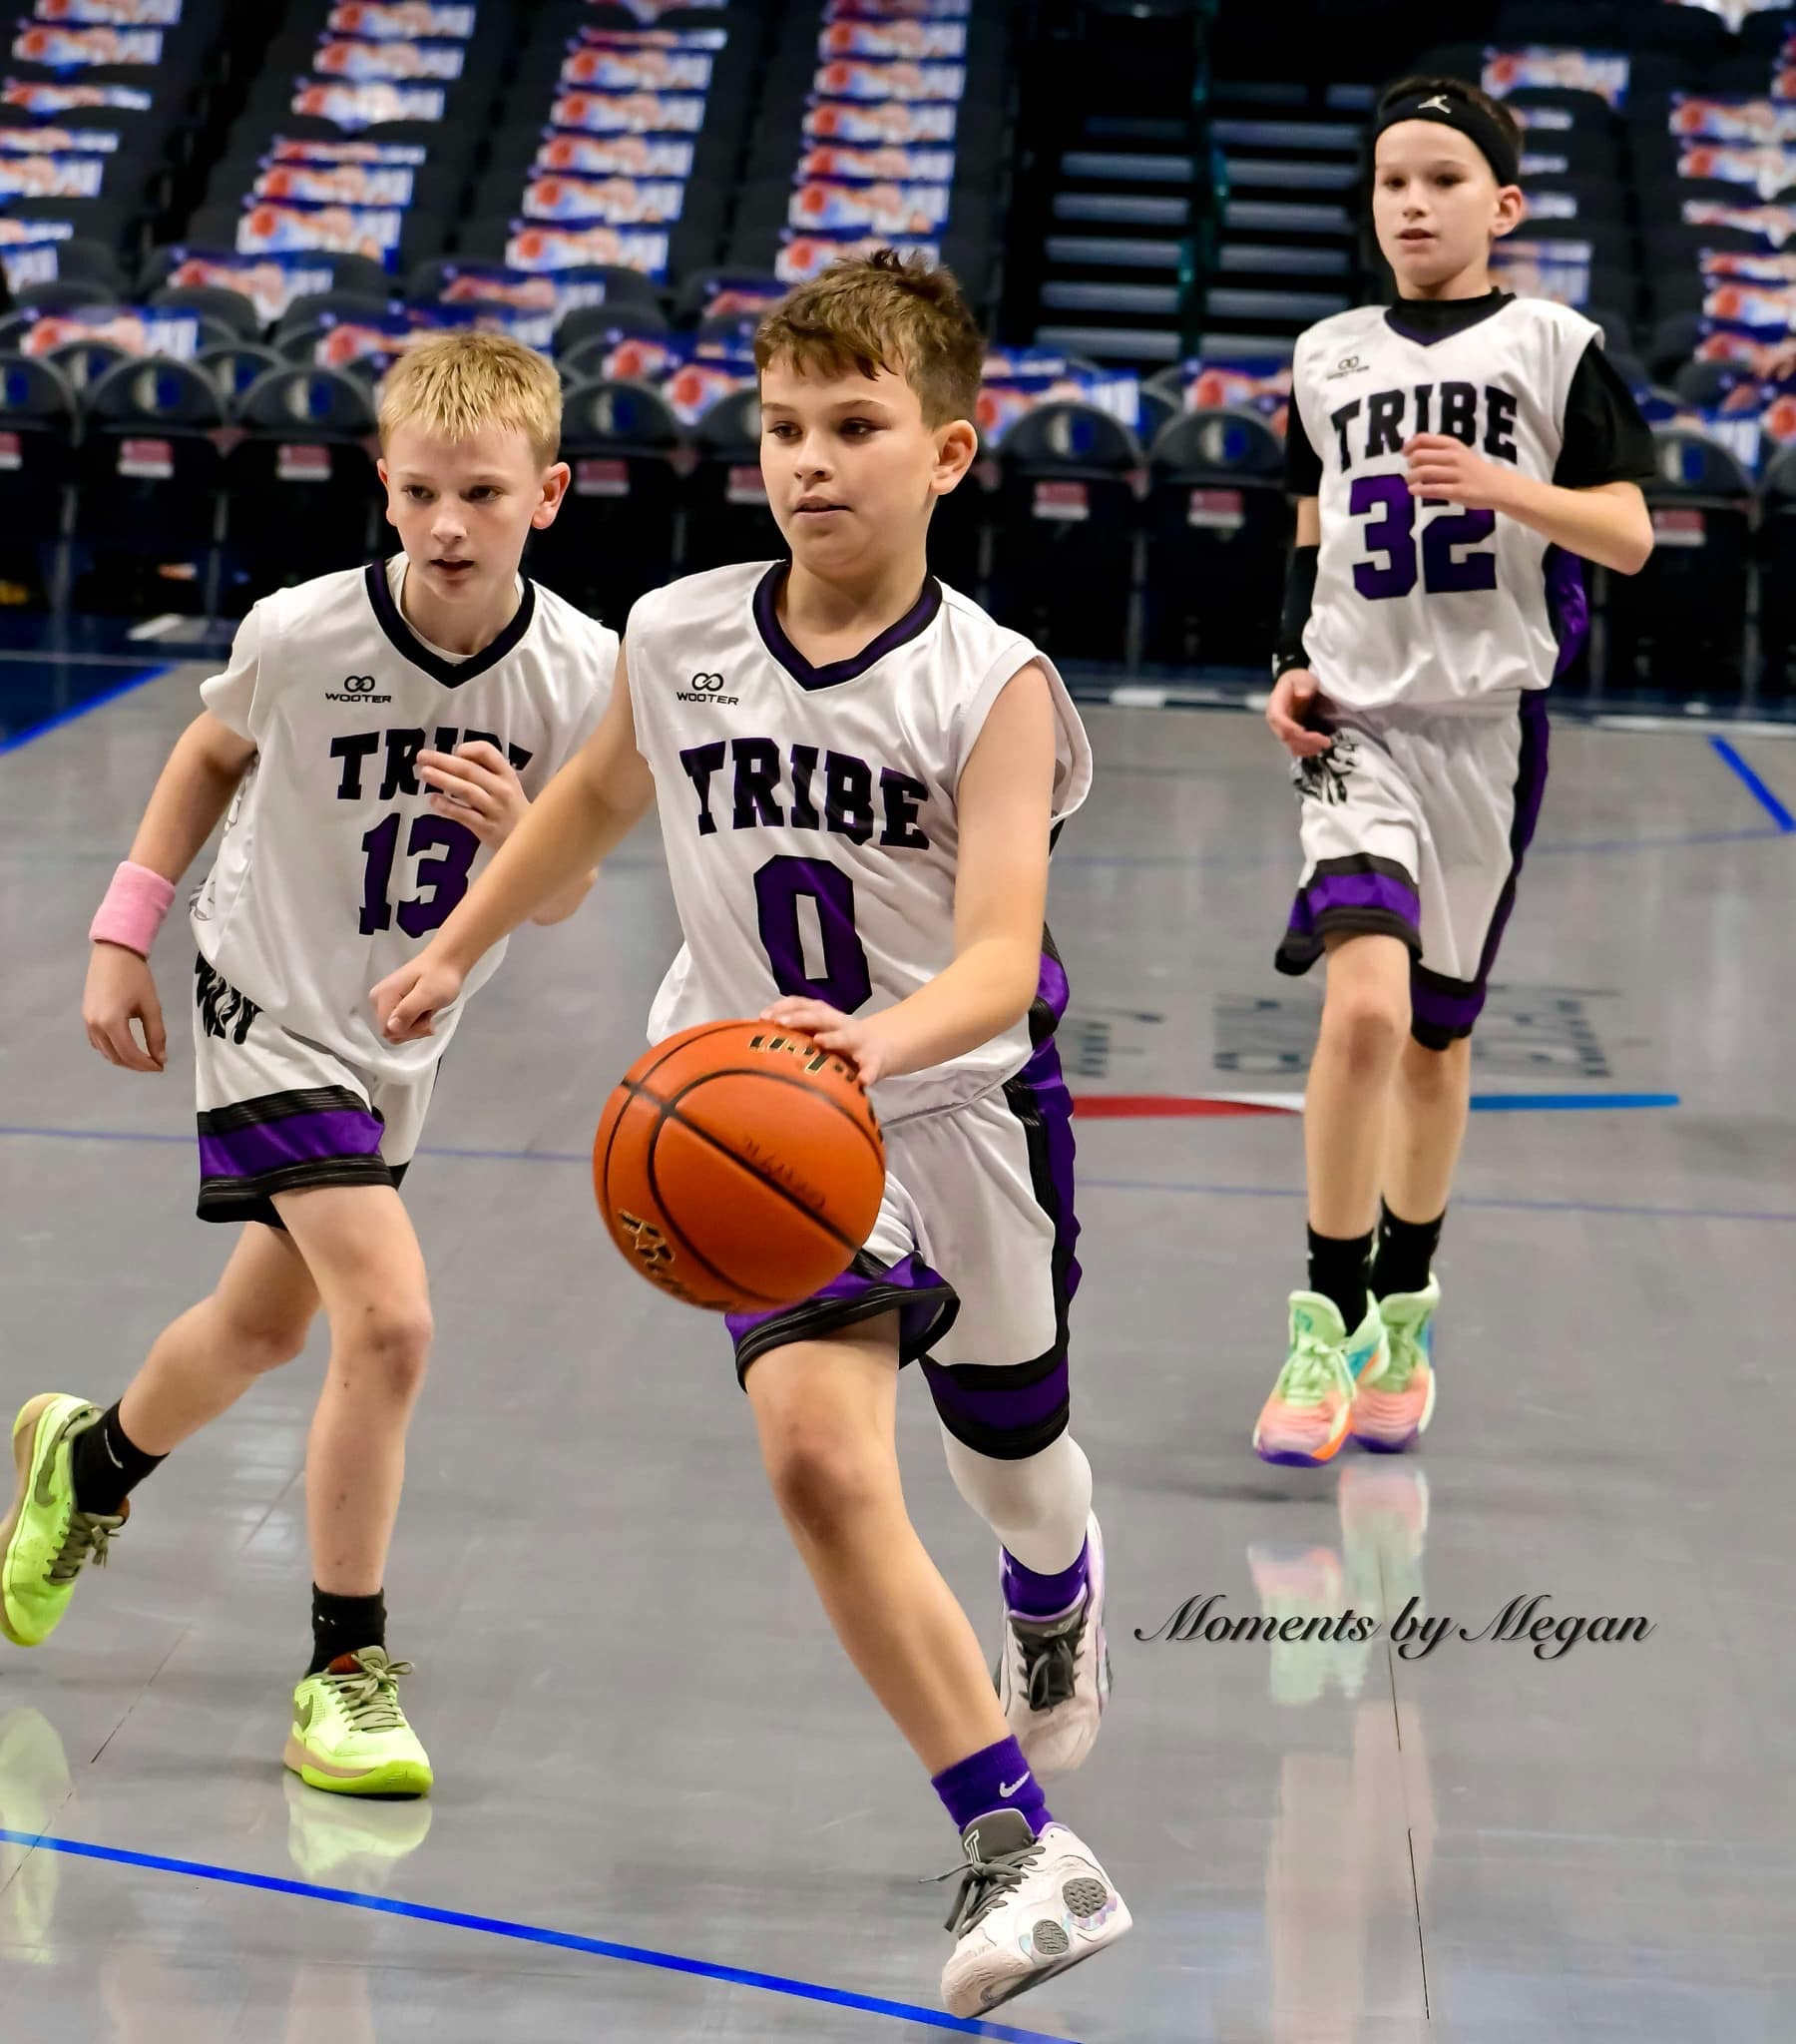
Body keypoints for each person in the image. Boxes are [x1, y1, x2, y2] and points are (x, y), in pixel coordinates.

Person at [371, 252, 1130, 2016]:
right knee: (812, 1459)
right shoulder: (679, 632)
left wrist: (874, 1041)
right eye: (784, 427)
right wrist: (458, 943)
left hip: (956, 1106)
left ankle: (1057, 1583)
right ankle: (1025, 1850)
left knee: (1013, 1451)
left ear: (947, 452)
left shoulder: (994, 683)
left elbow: (1004, 952)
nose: (809, 460)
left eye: (855, 427)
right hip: (758, 1127)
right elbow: (588, 806)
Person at [1, 332, 615, 1797]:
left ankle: (85, 1470)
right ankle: (344, 1670)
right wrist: (118, 933)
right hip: (262, 997)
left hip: (397, 1035)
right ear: (381, 488)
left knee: (265, 1331)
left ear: (551, 494)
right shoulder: (303, 632)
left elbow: (576, 884)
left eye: (483, 492)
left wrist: (518, 837)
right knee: (390, 1326)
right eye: (420, 492)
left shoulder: (587, 671)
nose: (449, 524)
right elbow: (209, 757)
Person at [1253, 77, 1656, 1465]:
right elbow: (1313, 531)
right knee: (1360, 1013)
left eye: (1440, 179)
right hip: (1357, 725)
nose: (1411, 203)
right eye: (1390, 182)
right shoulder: (1323, 354)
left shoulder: (1555, 344)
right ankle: (1323, 1314)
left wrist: (1507, 491)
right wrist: (1289, 661)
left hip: (1486, 734)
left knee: (1434, 1039)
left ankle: (1406, 1311)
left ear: (1504, 204)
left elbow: (1629, 534)